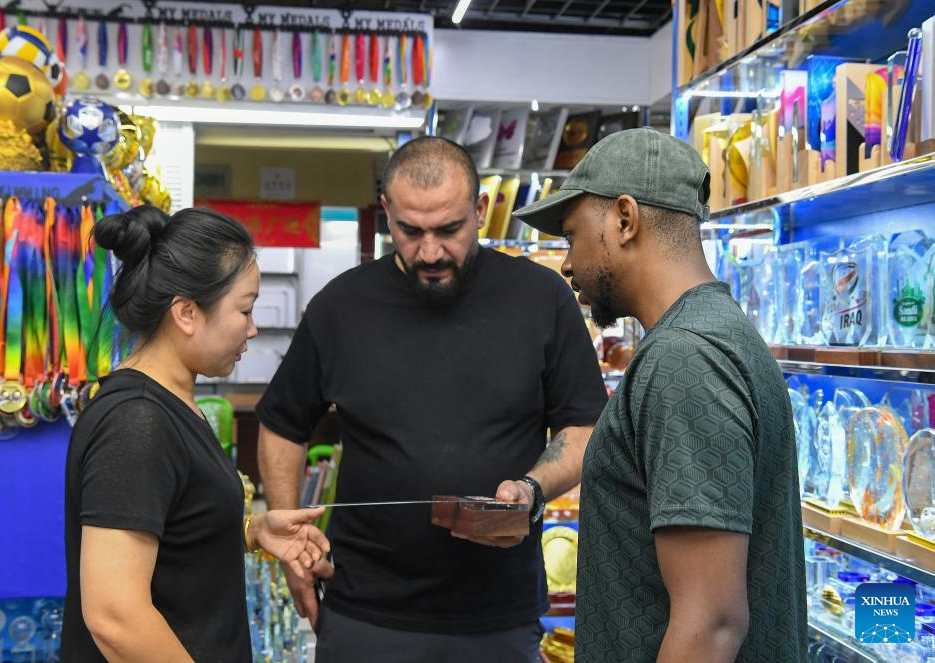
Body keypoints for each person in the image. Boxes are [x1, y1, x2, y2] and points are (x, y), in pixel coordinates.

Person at [256, 136, 607, 661]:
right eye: (410, 231)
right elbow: (283, 423)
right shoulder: (341, 307)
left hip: (497, 614)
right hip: (364, 611)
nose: (430, 251)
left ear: (481, 212)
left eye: (449, 229)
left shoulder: (542, 299)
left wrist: (532, 488)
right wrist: (292, 543)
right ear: (387, 215)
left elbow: (583, 428)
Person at [514, 127, 807, 662]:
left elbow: (711, 624)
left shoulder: (684, 360)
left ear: (625, 219)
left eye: (572, 233)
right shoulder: (715, 335)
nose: (566, 262)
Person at [62, 206, 329, 662]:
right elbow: (115, 616)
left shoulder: (172, 405)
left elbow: (172, 528)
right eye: (243, 309)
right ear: (186, 312)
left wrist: (249, 529)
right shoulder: (137, 422)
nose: (252, 328)